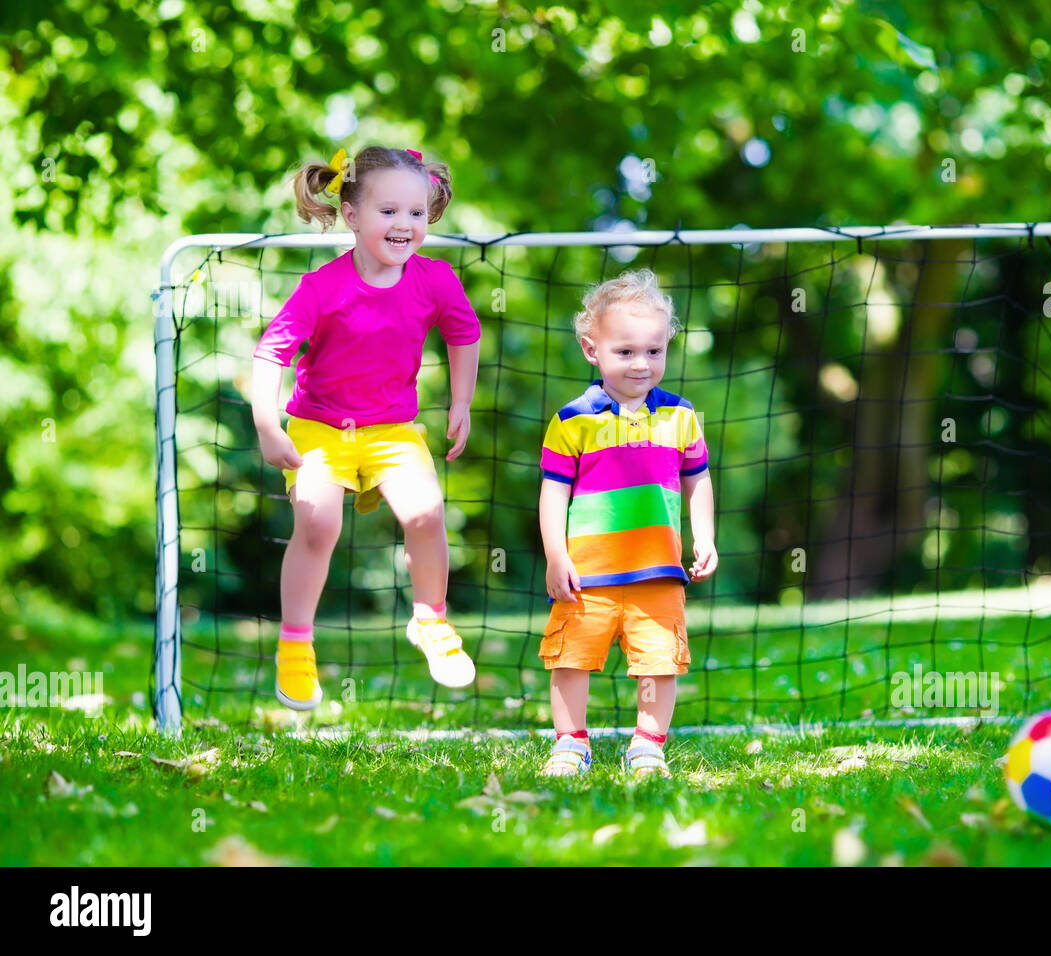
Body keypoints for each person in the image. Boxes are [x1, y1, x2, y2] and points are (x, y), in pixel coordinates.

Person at [250, 145, 480, 711]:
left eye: (417, 214)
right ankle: (296, 644)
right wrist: (266, 423)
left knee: (426, 512)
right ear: (352, 216)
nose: (405, 225)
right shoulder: (321, 288)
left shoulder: (436, 280)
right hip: (319, 427)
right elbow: (271, 353)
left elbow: (463, 334)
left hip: (392, 429)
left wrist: (461, 403)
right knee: (317, 522)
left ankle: (430, 619)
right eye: (389, 212)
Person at [537, 269, 717, 778]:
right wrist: (557, 555)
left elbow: (697, 480)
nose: (642, 363)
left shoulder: (681, 416)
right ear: (592, 349)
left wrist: (704, 537)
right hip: (586, 576)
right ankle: (571, 744)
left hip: (658, 573)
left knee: (659, 662)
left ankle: (647, 745)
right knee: (570, 658)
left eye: (654, 351)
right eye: (625, 351)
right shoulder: (574, 420)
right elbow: (553, 491)